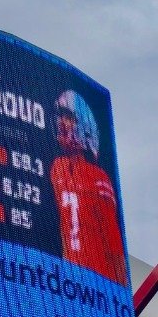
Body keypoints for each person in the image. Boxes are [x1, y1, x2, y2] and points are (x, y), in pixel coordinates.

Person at [50, 90, 127, 285]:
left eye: (67, 117)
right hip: (70, 278)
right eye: (59, 116)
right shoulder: (57, 167)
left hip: (98, 282)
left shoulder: (99, 178)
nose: (60, 122)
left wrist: (120, 293)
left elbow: (114, 244)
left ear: (83, 124)